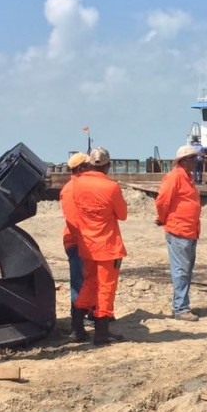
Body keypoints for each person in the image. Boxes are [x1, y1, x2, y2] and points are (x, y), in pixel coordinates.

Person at [63, 147, 128, 345]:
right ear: (107, 166)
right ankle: (101, 332)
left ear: (90, 164)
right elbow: (123, 214)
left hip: (86, 244)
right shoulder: (111, 187)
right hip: (107, 245)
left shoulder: (77, 185)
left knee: (89, 284)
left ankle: (77, 327)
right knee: (106, 288)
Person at [155, 145, 202, 321]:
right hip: (179, 230)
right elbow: (162, 201)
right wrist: (162, 218)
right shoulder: (175, 177)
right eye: (193, 158)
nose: (196, 161)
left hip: (189, 230)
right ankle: (181, 308)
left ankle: (181, 305)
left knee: (185, 269)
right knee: (181, 270)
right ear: (184, 160)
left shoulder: (186, 177)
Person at [60, 152, 90, 340]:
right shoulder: (71, 189)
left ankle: (89, 316)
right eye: (88, 166)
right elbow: (73, 220)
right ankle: (76, 327)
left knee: (86, 281)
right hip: (78, 242)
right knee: (79, 284)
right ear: (80, 169)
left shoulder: (78, 187)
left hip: (85, 240)